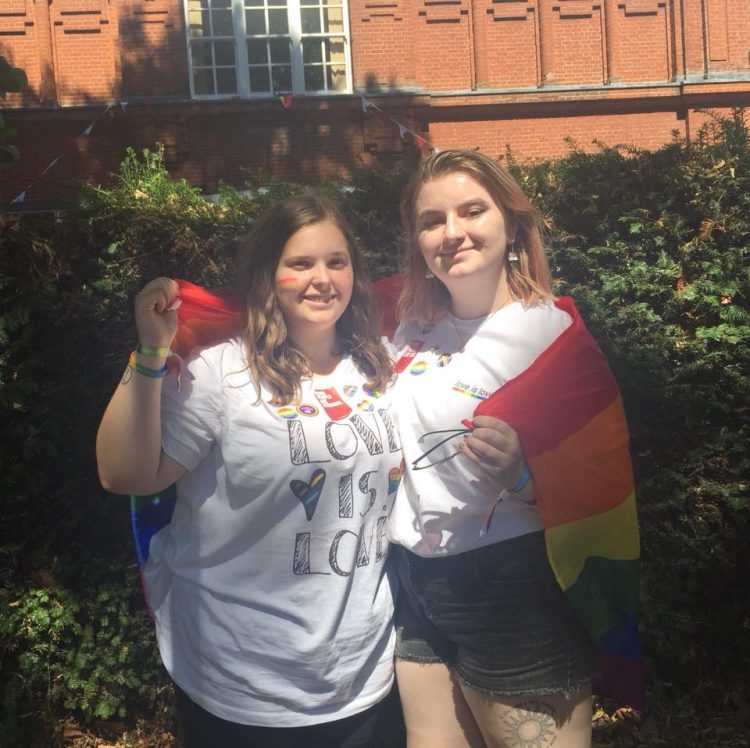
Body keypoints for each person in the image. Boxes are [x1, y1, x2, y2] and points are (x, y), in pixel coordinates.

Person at [96, 192, 404, 747]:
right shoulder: (222, 372)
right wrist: (149, 351)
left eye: (337, 261)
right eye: (300, 263)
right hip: (237, 684)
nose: (322, 278)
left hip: (359, 678)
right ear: (269, 274)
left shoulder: (381, 363)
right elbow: (126, 474)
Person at [388, 150, 641, 747]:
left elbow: (601, 485)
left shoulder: (552, 337)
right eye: (432, 220)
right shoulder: (405, 330)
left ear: (511, 225)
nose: (452, 232)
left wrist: (525, 478)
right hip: (416, 582)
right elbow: (307, 301)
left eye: (472, 211)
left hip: (513, 588)